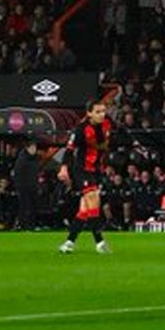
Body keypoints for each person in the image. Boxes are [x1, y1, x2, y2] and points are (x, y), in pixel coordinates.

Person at [58, 101, 113, 254]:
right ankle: (100, 243)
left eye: (103, 111)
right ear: (89, 113)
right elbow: (69, 150)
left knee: (85, 210)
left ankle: (69, 243)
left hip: (97, 170)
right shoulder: (81, 130)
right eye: (98, 111)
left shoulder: (107, 124)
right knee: (94, 201)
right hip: (82, 170)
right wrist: (63, 168)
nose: (102, 114)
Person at [13, 140, 43, 231]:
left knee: (33, 207)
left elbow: (36, 173)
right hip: (24, 187)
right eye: (32, 148)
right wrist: (19, 187)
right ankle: (23, 225)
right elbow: (18, 174)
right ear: (27, 148)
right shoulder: (22, 159)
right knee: (25, 207)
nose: (34, 150)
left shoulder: (35, 159)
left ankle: (31, 225)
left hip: (33, 187)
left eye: (35, 148)